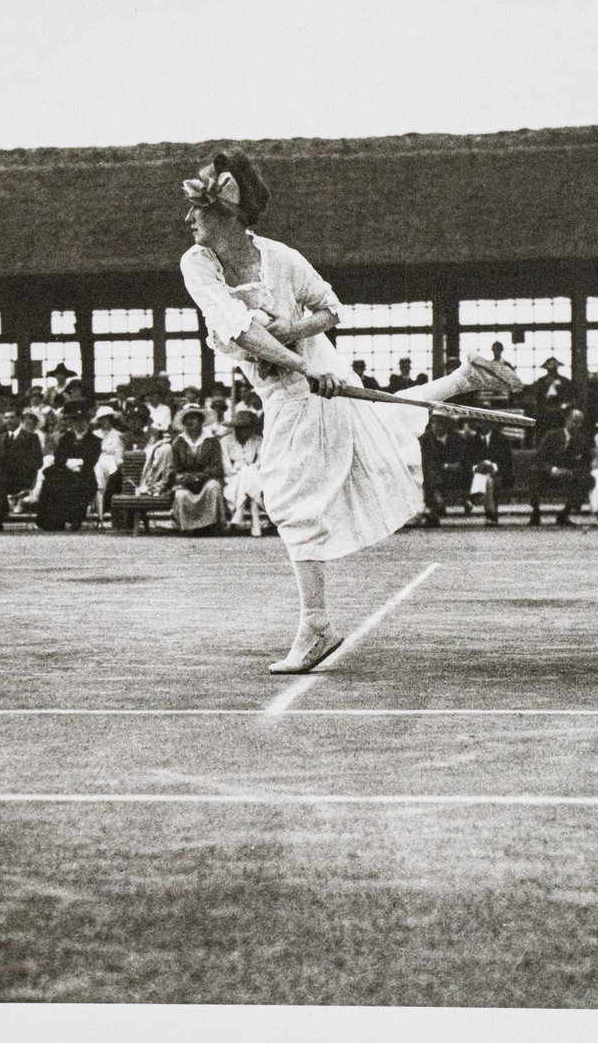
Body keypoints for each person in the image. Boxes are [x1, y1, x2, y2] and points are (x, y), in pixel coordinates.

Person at [180, 148, 518, 671]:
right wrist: (298, 361)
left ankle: (315, 626)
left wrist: (297, 340)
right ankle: (463, 378)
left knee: (290, 500)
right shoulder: (198, 265)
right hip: (298, 383)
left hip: (316, 381)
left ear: (225, 211)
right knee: (385, 421)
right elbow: (238, 328)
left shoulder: (283, 258)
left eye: (197, 209)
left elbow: (330, 308)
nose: (188, 218)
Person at [35, 401, 101, 530]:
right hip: (65, 472)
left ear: (87, 421)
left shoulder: (95, 440)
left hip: (85, 475)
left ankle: (75, 518)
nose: (78, 423)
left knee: (76, 483)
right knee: (51, 478)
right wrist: (70, 464)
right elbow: (59, 457)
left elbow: (90, 461)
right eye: (75, 420)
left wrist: (74, 463)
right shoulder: (65, 438)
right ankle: (51, 520)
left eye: (82, 420)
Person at [528, 408, 594, 526]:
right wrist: (552, 469)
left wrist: (571, 472)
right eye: (574, 421)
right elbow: (539, 458)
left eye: (580, 422)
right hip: (548, 475)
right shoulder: (551, 435)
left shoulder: (582, 440)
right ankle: (535, 512)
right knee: (535, 473)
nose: (577, 425)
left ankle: (565, 514)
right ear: (567, 420)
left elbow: (586, 464)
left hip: (568, 477)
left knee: (588, 479)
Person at [168, 404, 227, 534]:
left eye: (194, 417)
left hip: (207, 480)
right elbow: (173, 468)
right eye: (187, 418)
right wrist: (179, 477)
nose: (190, 421)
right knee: (181, 494)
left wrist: (200, 476)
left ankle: (210, 526)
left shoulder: (211, 441)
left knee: (213, 487)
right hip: (186, 483)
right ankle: (189, 527)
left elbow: (217, 467)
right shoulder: (179, 442)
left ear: (201, 420)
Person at [0, 410, 45, 530]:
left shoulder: (31, 437)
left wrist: (17, 466)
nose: (9, 420)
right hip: (3, 478)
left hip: (23, 478)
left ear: (19, 420)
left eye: (12, 417)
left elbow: (38, 462)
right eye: (6, 418)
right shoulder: (0, 438)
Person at [221, 406, 267, 535]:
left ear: (251, 428)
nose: (242, 431)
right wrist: (238, 471)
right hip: (232, 476)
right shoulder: (225, 441)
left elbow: (261, 461)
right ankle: (255, 522)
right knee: (247, 476)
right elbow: (225, 464)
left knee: (249, 472)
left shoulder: (258, 440)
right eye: (239, 428)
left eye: (246, 428)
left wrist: (250, 468)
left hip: (254, 474)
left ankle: (239, 512)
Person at [529, 357, 571, 435]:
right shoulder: (541, 381)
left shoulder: (565, 381)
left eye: (554, 368)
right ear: (546, 369)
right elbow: (536, 396)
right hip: (544, 409)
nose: (552, 371)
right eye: (550, 368)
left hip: (560, 409)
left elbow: (569, 396)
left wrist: (564, 405)